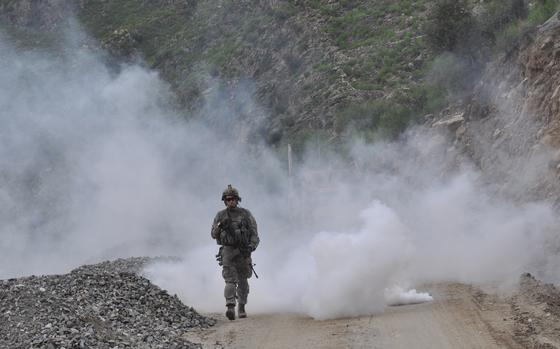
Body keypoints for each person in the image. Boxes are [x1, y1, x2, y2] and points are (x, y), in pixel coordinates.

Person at [211, 185, 259, 320]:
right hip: (228, 250)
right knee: (230, 280)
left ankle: (242, 306)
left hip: (243, 251)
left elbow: (255, 234)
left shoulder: (245, 214)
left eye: (233, 199)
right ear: (225, 201)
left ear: (237, 200)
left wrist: (251, 247)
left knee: (243, 279)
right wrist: (220, 225)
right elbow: (213, 234)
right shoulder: (220, 216)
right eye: (228, 199)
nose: (231, 201)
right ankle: (230, 306)